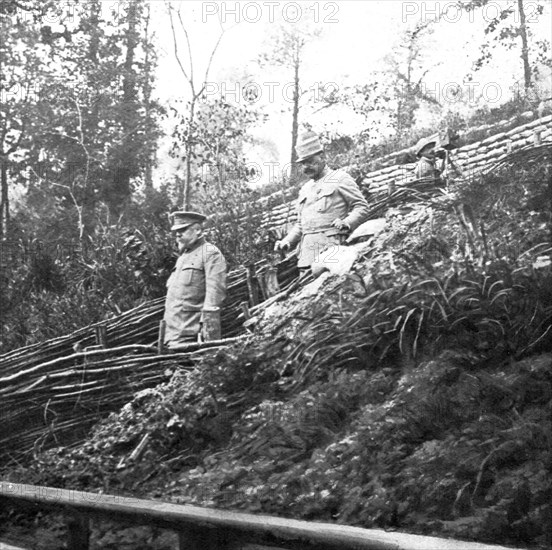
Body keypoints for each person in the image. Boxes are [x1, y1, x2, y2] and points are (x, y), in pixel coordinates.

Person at [274, 131, 370, 272]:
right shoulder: (305, 189)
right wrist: (287, 241)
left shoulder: (339, 178)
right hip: (306, 256)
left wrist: (347, 223)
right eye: (303, 163)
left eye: (311, 161)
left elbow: (361, 207)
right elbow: (301, 225)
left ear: (322, 157)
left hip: (332, 252)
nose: (306, 167)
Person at [163, 211, 227, 349]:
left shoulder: (210, 253)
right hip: (172, 335)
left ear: (198, 230)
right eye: (176, 231)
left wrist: (206, 331)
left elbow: (215, 296)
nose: (178, 234)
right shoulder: (183, 257)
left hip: (191, 336)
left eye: (183, 229)